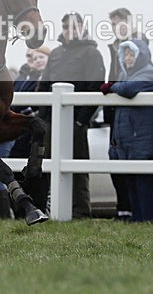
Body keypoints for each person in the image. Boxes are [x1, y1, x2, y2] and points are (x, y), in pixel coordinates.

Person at [37, 11, 106, 218]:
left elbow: (95, 87)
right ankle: (50, 210)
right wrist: (42, 118)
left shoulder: (91, 53)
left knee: (76, 167)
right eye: (66, 27)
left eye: (74, 26)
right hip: (52, 122)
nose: (70, 30)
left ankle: (80, 212)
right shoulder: (56, 53)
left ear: (82, 28)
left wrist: (79, 120)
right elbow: (44, 85)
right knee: (47, 165)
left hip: (75, 121)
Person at [100, 39, 153, 222]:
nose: (128, 58)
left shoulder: (149, 73)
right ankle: (137, 220)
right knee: (131, 182)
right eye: (125, 54)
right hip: (127, 137)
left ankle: (149, 220)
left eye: (132, 54)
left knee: (143, 182)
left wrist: (112, 87)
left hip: (141, 137)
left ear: (141, 55)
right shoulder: (124, 75)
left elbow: (129, 89)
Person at [106, 7, 150, 221]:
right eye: (114, 23)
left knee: (131, 162)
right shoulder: (113, 48)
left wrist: (112, 87)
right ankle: (123, 209)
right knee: (115, 158)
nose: (118, 26)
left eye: (121, 21)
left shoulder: (139, 45)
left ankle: (134, 210)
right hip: (116, 114)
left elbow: (128, 82)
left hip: (133, 116)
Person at [7, 46, 50, 218]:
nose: (37, 60)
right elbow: (15, 102)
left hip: (38, 133)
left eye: (41, 57)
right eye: (34, 57)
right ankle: (20, 209)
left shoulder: (49, 79)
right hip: (23, 133)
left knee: (38, 173)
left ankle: (37, 209)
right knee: (16, 167)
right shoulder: (27, 78)